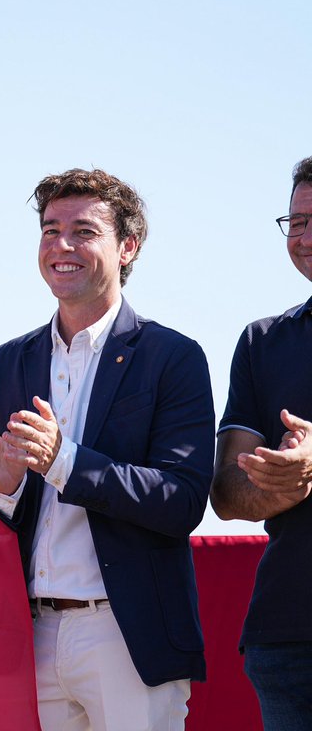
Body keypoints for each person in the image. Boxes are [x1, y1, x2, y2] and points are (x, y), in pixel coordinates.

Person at [0, 168, 214, 730]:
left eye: (84, 230)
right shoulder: (8, 362)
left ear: (128, 247)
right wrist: (2, 493)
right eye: (51, 229)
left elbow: (180, 500)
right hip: (28, 634)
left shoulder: (171, 357)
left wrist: (63, 461)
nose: (62, 245)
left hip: (126, 636)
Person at [210, 156, 312, 729]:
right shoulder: (262, 342)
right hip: (285, 642)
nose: (305, 237)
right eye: (295, 222)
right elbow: (226, 492)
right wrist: (283, 484)